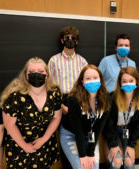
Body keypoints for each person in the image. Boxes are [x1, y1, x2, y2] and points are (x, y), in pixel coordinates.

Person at [0, 57, 62, 169]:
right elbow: (9, 124)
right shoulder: (15, 95)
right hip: (20, 147)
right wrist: (24, 146)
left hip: (45, 145)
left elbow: (57, 117)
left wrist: (44, 139)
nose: (36, 74)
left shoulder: (54, 92)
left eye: (41, 71)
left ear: (47, 74)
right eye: (32, 72)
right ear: (25, 75)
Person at [48, 26, 88, 169]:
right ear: (61, 40)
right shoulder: (53, 60)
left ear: (77, 41)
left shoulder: (82, 61)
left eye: (73, 38)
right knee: (65, 140)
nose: (70, 40)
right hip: (61, 101)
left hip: (79, 101)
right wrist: (60, 105)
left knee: (79, 135)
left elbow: (87, 84)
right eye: (67, 38)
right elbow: (49, 87)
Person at [60, 65, 110, 169]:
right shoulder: (74, 100)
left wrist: (90, 153)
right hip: (71, 135)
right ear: (82, 81)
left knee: (94, 167)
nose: (92, 81)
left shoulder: (107, 100)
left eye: (95, 78)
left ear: (100, 79)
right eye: (88, 78)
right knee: (81, 167)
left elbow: (97, 129)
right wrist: (83, 156)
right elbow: (78, 130)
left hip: (90, 135)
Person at [105, 67, 139, 169]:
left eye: (131, 81)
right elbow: (108, 125)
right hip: (113, 130)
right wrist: (114, 145)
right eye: (124, 81)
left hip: (129, 130)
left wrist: (131, 146)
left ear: (136, 82)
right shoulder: (112, 98)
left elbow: (138, 126)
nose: (128, 84)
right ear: (120, 83)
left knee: (129, 161)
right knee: (116, 161)